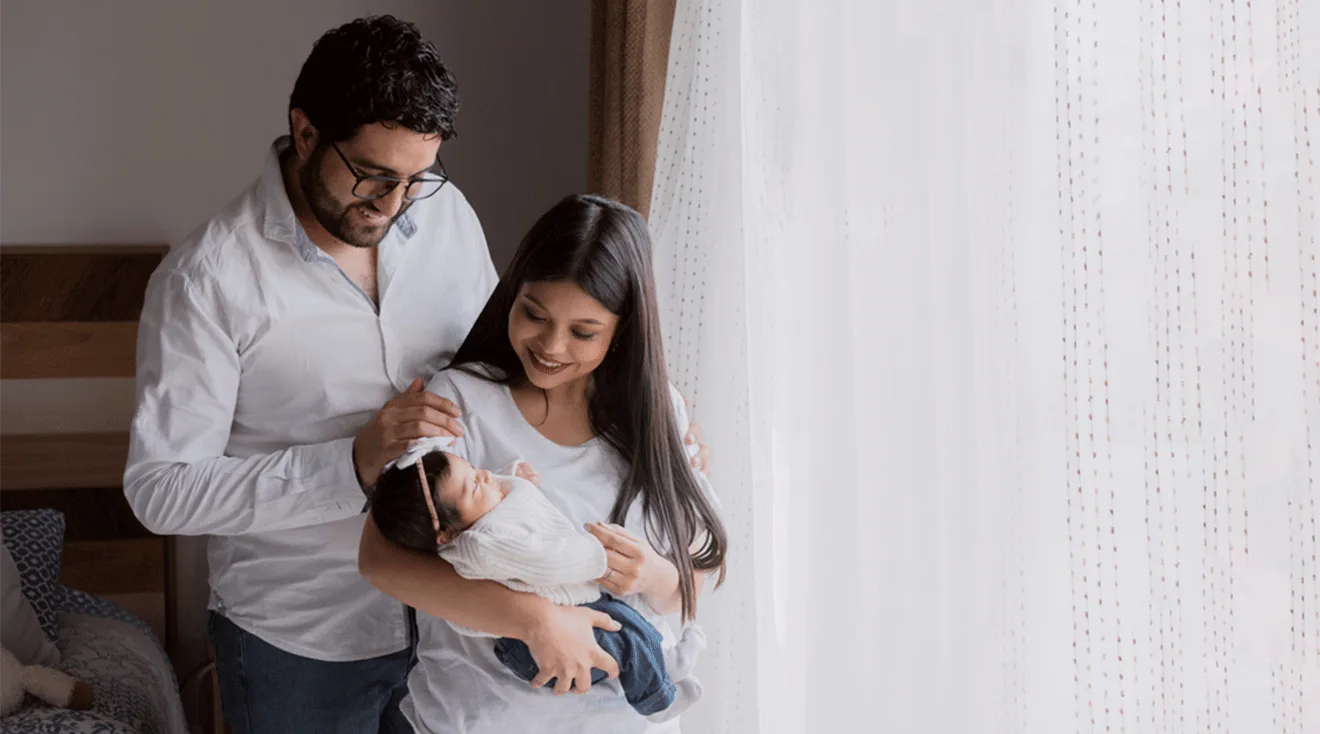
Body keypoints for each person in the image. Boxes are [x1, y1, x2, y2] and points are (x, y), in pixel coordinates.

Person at [122, 15, 720, 734]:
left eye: (416, 178)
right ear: (305, 132)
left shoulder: (444, 219)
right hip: (307, 637)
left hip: (460, 633)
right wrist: (351, 464)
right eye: (373, 177)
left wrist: (656, 417)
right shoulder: (207, 281)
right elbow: (161, 492)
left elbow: (511, 363)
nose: (394, 204)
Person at [358, 193, 729, 733]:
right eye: (534, 313)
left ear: (623, 330)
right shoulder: (458, 402)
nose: (551, 346)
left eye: (584, 332)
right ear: (513, 293)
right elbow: (382, 560)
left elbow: (701, 572)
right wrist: (535, 621)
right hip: (478, 719)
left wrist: (653, 573)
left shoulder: (656, 414)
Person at [368, 438, 707, 722]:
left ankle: (664, 662)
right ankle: (657, 699)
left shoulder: (477, 517)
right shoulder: (486, 543)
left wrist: (514, 475)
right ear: (448, 533)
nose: (485, 476)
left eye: (474, 470)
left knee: (629, 626)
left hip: (570, 613)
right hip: (530, 649)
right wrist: (597, 559)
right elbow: (547, 560)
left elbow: (497, 499)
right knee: (624, 641)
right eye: (473, 485)